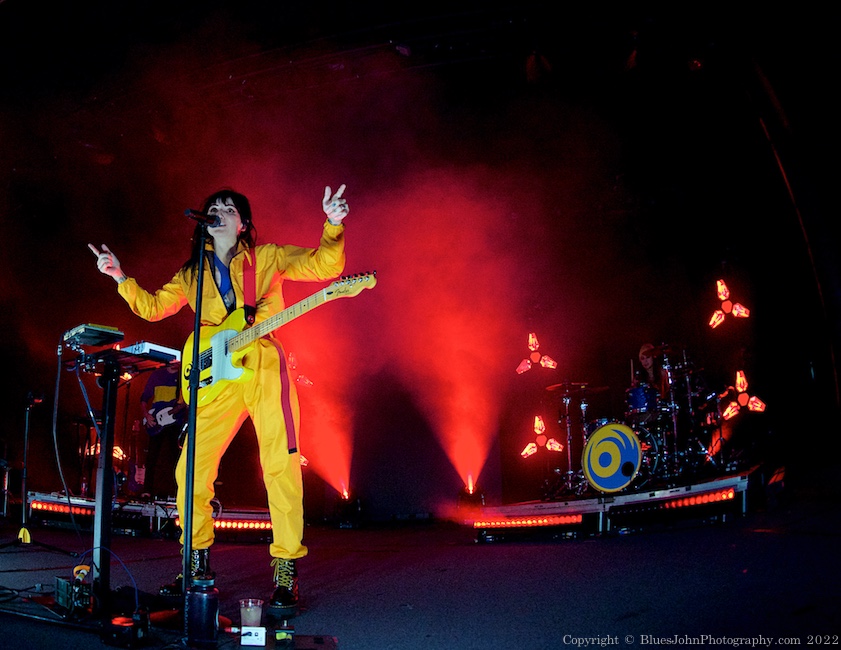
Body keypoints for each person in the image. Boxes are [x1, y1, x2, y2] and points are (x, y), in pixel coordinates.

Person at [89, 184, 349, 615]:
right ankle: (196, 564)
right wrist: (119, 276)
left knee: (280, 463)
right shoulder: (191, 274)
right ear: (205, 223)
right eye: (214, 208)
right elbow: (153, 308)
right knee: (190, 469)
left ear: (243, 224)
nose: (220, 212)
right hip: (213, 377)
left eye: (229, 208)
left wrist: (333, 224)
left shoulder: (268, 257)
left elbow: (325, 265)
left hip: (263, 364)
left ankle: (286, 568)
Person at [139, 362, 185, 501]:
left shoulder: (182, 377)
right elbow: (144, 398)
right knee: (152, 456)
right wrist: (147, 415)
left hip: (175, 421)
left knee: (175, 457)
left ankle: (178, 491)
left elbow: (186, 399)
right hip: (156, 420)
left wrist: (181, 407)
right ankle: (147, 490)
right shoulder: (156, 375)